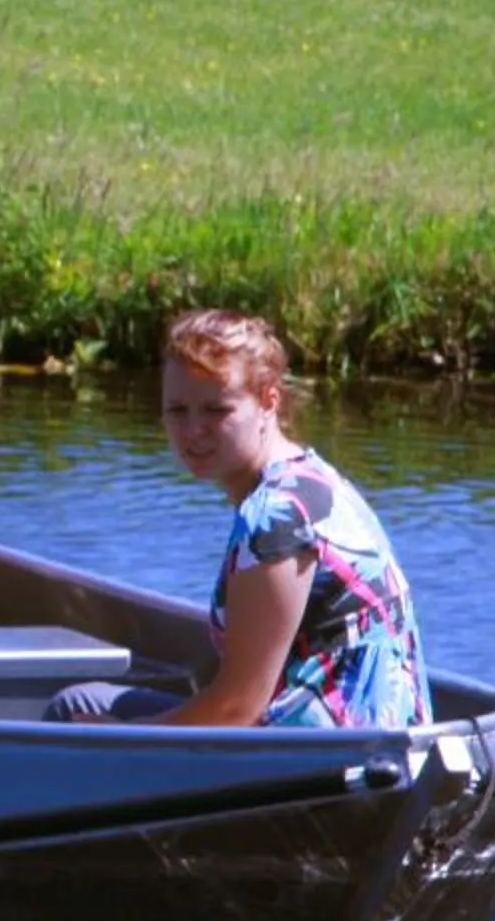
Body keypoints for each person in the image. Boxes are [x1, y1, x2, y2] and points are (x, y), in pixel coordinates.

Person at [47, 309, 426, 729]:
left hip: (322, 759)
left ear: (268, 400)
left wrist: (119, 739)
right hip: (371, 740)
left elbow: (237, 709)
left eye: (216, 409)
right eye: (177, 409)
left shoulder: (275, 520)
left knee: (75, 710)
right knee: (90, 702)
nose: (193, 430)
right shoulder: (314, 480)